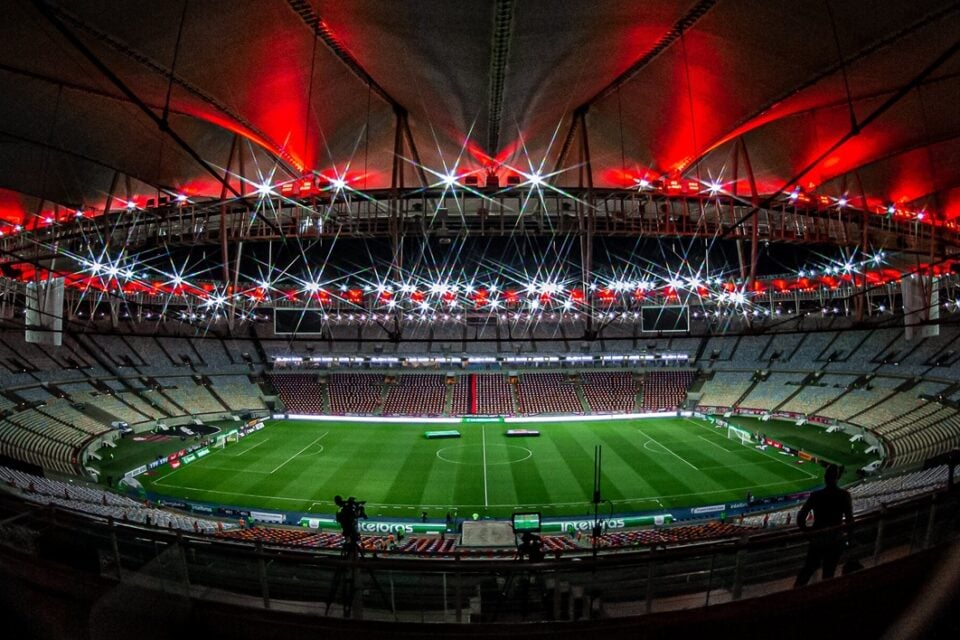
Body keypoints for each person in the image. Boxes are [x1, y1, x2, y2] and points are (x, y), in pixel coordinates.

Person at [794, 464, 854, 587]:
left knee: (808, 570)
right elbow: (850, 521)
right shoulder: (844, 495)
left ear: (825, 477)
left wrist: (808, 533)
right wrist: (848, 540)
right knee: (829, 573)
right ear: (837, 478)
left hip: (818, 538)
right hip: (835, 539)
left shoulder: (816, 495)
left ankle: (794, 595)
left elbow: (800, 518)